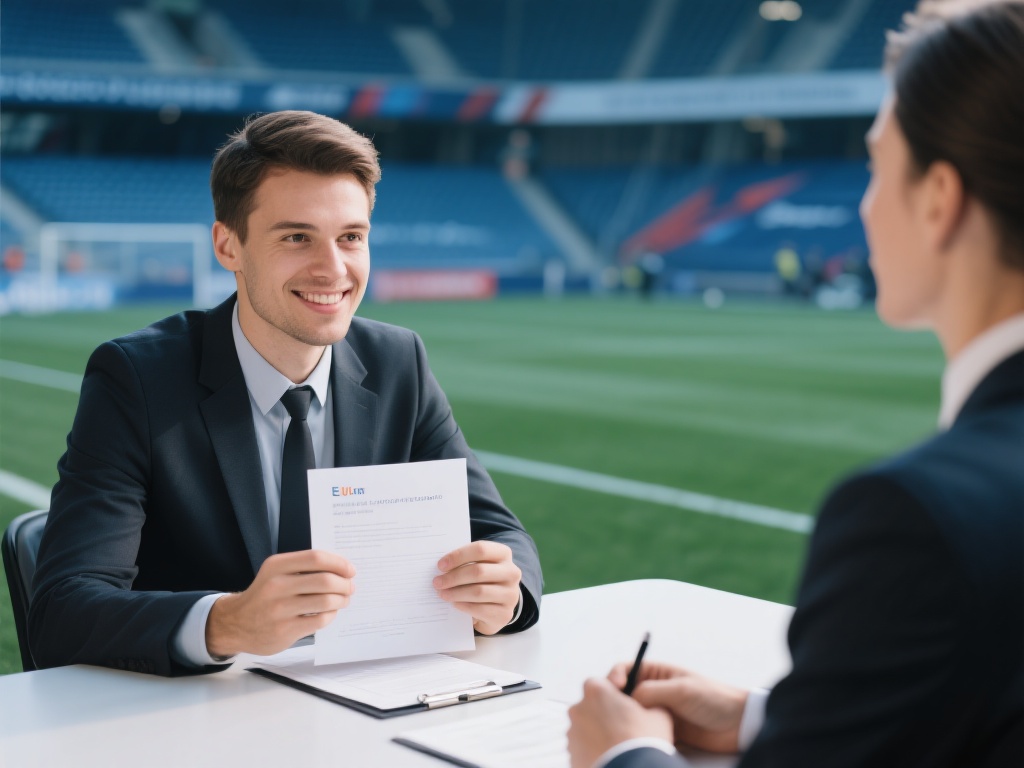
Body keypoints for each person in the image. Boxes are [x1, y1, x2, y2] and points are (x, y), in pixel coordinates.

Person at [567, 1, 1024, 765]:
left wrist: (628, 755)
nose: (865, 204)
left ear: (940, 200)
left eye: (877, 166)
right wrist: (766, 720)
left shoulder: (918, 515)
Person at [28, 111, 542, 676]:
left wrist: (504, 595)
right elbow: (63, 608)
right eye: (297, 237)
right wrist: (225, 622)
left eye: (351, 237)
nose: (333, 268)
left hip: (367, 704)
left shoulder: (399, 362)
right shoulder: (137, 378)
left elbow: (501, 535)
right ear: (228, 246)